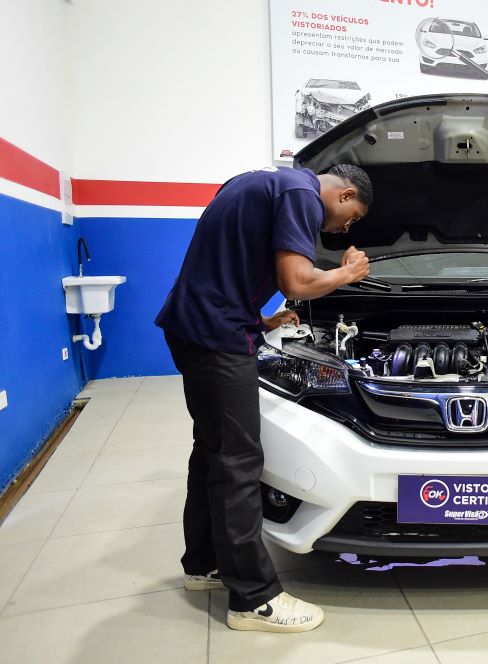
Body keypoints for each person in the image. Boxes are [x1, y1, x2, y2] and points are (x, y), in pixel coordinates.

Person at [155, 164, 373, 633]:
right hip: (217, 338)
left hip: (197, 326)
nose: (343, 230)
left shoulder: (258, 182)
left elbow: (227, 265)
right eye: (351, 218)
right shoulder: (301, 195)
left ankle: (204, 563)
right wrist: (346, 273)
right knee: (238, 461)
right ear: (344, 193)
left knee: (212, 452)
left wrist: (261, 322)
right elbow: (296, 282)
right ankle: (253, 599)